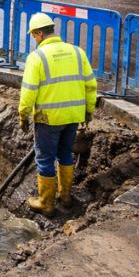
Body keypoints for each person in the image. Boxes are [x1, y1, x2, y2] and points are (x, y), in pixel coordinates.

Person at [18, 13, 97, 217]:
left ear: (39, 33)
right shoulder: (78, 52)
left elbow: (28, 91)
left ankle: (46, 203)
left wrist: (23, 115)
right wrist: (88, 111)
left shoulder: (37, 57)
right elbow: (91, 85)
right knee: (65, 154)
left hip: (48, 119)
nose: (34, 39)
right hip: (73, 116)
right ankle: (66, 196)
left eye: (34, 36)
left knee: (45, 159)